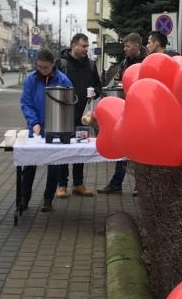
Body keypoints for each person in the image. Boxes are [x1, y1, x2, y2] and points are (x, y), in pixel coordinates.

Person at [19, 49, 73, 212]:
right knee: (29, 164)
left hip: (56, 128)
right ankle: (24, 198)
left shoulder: (63, 80)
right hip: (35, 129)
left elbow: (68, 104)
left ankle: (48, 198)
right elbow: (26, 103)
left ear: (52, 64)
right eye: (39, 67)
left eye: (45, 68)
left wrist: (64, 125)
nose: (42, 70)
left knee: (54, 165)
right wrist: (34, 122)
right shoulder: (31, 79)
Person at [98, 33, 147, 194]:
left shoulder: (147, 61)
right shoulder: (126, 61)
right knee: (122, 145)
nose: (124, 49)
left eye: (127, 46)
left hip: (142, 111)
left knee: (139, 148)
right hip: (126, 108)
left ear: (136, 47)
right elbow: (118, 79)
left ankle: (141, 185)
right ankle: (116, 182)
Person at [55, 33, 102, 198]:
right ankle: (61, 185)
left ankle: (78, 183)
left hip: (84, 116)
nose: (86, 49)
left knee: (80, 150)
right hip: (64, 115)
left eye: (87, 46)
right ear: (74, 45)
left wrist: (95, 92)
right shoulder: (61, 64)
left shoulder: (90, 64)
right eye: (83, 46)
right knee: (64, 150)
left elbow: (98, 84)